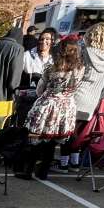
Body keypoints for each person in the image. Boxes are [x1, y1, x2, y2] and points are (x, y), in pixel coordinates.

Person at [18, 38, 84, 180]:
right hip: (67, 106)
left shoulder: (51, 67)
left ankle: (28, 170)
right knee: (53, 141)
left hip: (48, 104)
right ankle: (43, 172)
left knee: (36, 138)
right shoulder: (80, 69)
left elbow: (40, 89)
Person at [61, 22, 104, 171]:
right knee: (81, 133)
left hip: (78, 93)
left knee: (68, 131)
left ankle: (64, 162)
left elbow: (75, 72)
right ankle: (75, 162)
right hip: (94, 96)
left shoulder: (84, 51)